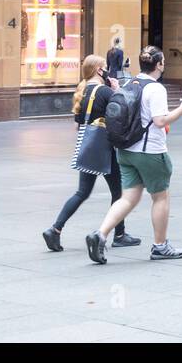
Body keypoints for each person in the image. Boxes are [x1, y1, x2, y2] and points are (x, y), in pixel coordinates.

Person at [86, 46, 182, 264]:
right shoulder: (156, 89)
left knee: (128, 197)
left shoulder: (128, 82)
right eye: (163, 61)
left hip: (125, 150)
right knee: (160, 196)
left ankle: (100, 234)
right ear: (159, 65)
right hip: (150, 151)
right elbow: (160, 121)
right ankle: (160, 246)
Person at [41, 55, 140, 252]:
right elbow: (122, 110)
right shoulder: (104, 91)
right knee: (118, 192)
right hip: (106, 148)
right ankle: (119, 235)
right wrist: (117, 90)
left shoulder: (83, 91)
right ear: (98, 70)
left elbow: (79, 122)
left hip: (89, 146)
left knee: (82, 192)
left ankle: (55, 229)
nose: (107, 70)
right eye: (104, 67)